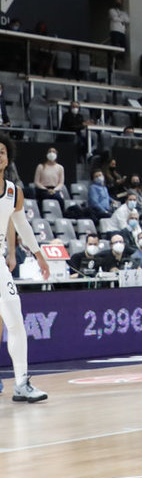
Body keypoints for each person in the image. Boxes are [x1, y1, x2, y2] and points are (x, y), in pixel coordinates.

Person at [0, 133, 49, 401]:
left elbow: (23, 226)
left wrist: (39, 254)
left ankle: (21, 384)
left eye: (2, 151)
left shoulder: (13, 192)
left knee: (15, 319)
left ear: (8, 158)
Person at [33, 146, 66, 212]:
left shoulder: (60, 168)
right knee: (44, 196)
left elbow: (61, 183)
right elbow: (36, 182)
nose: (51, 153)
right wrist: (46, 189)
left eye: (53, 152)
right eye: (50, 151)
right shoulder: (40, 166)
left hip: (55, 190)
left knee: (60, 198)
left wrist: (54, 190)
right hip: (43, 189)